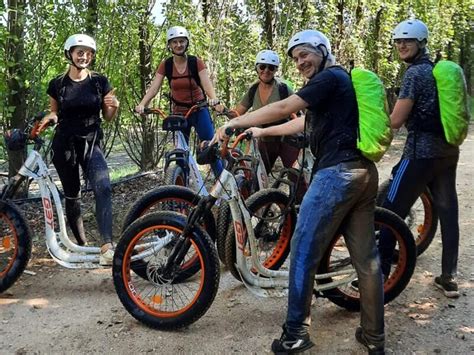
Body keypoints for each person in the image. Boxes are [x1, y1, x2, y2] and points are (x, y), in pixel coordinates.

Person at [217, 30, 385, 354]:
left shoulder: (327, 78)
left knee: (302, 248)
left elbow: (285, 107)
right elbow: (301, 123)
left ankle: (295, 332)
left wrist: (232, 125)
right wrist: (261, 130)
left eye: (304, 54)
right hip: (362, 174)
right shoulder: (336, 84)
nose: (300, 62)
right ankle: (374, 338)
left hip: (336, 175)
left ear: (322, 50)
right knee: (367, 261)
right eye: (295, 58)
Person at [378, 19, 461, 298]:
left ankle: (378, 277)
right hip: (447, 152)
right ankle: (448, 276)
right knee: (448, 213)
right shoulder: (436, 72)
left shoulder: (415, 74)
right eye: (398, 41)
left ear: (421, 43)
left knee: (390, 211)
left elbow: (396, 121)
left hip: (419, 153)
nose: (401, 45)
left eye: (408, 41)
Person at [43, 34, 119, 266]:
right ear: (70, 53)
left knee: (103, 186)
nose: (84, 55)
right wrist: (50, 117)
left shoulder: (99, 82)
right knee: (72, 194)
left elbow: (107, 117)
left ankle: (107, 245)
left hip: (91, 141)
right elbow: (55, 112)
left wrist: (113, 108)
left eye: (88, 52)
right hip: (64, 144)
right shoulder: (57, 84)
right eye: (79, 51)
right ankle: (82, 246)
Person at [136, 25, 223, 176]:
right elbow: (154, 88)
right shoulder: (166, 65)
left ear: (186, 43)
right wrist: (143, 104)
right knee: (180, 154)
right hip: (179, 114)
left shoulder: (196, 62)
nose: (178, 45)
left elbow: (206, 83)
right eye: (174, 42)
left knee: (210, 148)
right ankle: (182, 190)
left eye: (181, 41)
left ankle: (223, 186)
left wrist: (213, 99)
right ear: (169, 45)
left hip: (199, 109)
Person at [232, 50, 299, 174]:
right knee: (257, 176)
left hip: (286, 138)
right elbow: (238, 112)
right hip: (263, 139)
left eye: (271, 68)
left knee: (295, 176)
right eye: (262, 67)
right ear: (257, 68)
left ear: (275, 70)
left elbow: (299, 110)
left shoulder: (283, 89)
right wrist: (222, 111)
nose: (266, 71)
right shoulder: (253, 90)